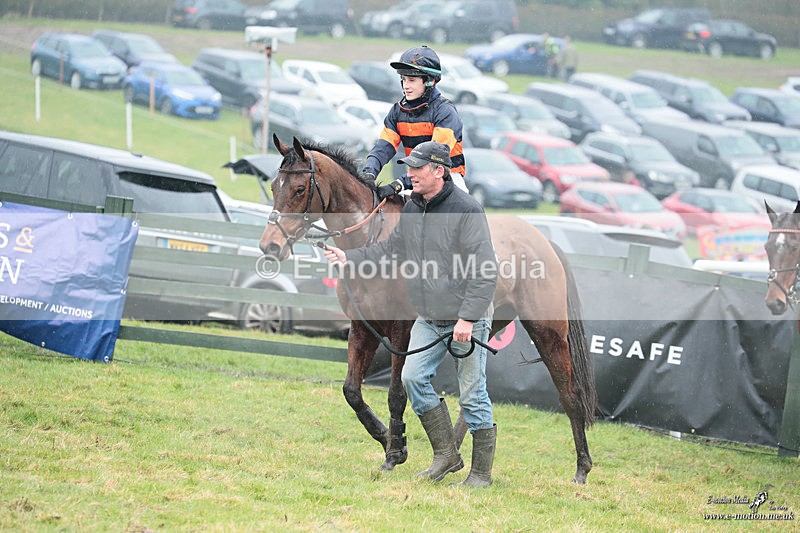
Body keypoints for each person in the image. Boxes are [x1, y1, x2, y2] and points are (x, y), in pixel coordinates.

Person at [324, 141, 498, 487]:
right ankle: (446, 455)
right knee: (413, 378)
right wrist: (350, 259)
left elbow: (485, 270)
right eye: (409, 168)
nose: (409, 174)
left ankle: (481, 474)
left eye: (416, 168)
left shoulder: (467, 210)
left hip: (467, 316)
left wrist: (468, 318)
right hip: (430, 317)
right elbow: (393, 248)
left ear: (438, 171)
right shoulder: (413, 208)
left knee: (473, 394)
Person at [361, 45, 468, 199]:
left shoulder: (445, 113)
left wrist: (399, 184)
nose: (406, 86)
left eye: (411, 80)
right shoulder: (397, 112)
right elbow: (383, 148)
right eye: (403, 79)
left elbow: (432, 160)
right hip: (415, 180)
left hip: (447, 180)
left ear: (430, 81)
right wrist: (369, 173)